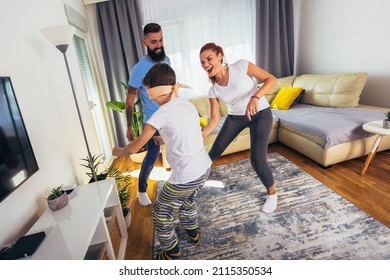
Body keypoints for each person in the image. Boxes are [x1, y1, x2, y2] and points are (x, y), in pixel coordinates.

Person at [113, 63, 212, 260]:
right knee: (188, 199)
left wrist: (120, 151)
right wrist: (163, 139)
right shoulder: (187, 104)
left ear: (162, 92)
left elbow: (136, 147)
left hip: (186, 175)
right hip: (204, 168)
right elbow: (184, 132)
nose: (152, 101)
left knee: (160, 210)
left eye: (152, 96)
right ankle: (193, 232)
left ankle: (171, 251)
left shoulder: (161, 114)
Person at [199, 42, 278, 213]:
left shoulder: (241, 66)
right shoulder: (213, 90)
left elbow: (271, 79)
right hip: (235, 118)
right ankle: (195, 180)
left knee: (257, 159)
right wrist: (202, 135)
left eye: (209, 59)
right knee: (214, 152)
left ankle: (272, 194)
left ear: (220, 55)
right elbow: (214, 119)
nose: (206, 64)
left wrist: (255, 97)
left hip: (261, 114)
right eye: (202, 62)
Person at [126, 23, 171, 206]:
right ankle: (142, 190)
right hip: (153, 121)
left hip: (169, 116)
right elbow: (130, 100)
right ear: (144, 41)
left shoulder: (166, 60)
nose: (158, 45)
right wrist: (129, 126)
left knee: (177, 151)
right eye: (153, 42)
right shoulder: (139, 69)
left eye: (160, 40)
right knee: (152, 156)